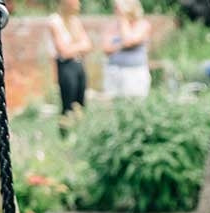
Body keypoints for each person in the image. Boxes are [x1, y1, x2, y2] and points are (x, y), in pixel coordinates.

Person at [47, 0, 92, 128]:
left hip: (78, 64)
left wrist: (72, 48)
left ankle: (79, 130)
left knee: (80, 103)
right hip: (66, 66)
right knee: (68, 103)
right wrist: (79, 46)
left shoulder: (75, 21)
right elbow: (63, 51)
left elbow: (88, 45)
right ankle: (65, 132)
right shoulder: (55, 21)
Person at [102, 0, 151, 99]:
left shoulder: (143, 24)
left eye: (118, 8)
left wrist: (123, 21)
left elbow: (128, 41)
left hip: (134, 73)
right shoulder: (111, 26)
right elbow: (106, 49)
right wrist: (122, 45)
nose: (116, 11)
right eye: (115, 8)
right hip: (114, 71)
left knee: (133, 102)